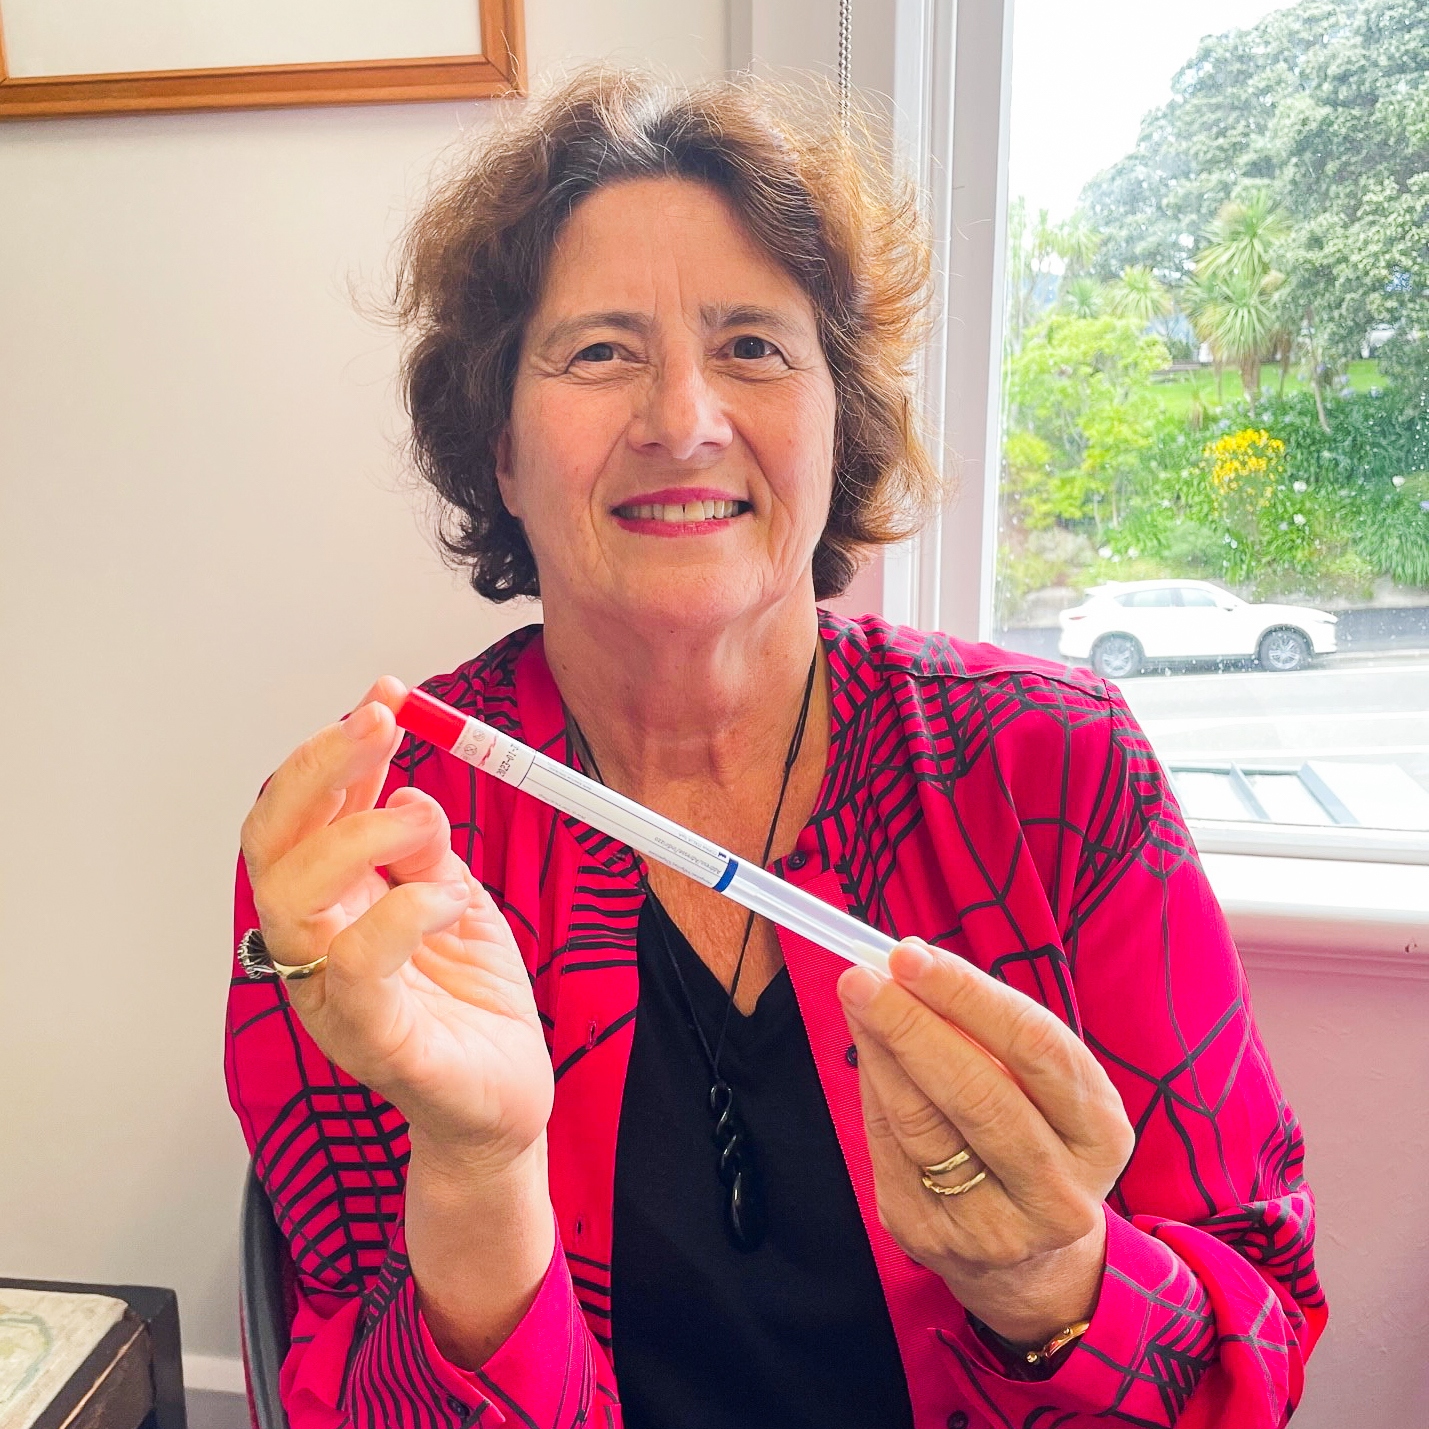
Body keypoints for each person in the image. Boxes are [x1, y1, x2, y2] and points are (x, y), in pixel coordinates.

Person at [227, 70, 1325, 1429]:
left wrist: (1055, 1282)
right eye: (598, 350)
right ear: (498, 448)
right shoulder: (378, 848)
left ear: (837, 422)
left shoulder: (1050, 762)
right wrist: (476, 1171)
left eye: (753, 345)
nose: (682, 417)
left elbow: (1252, 1336)